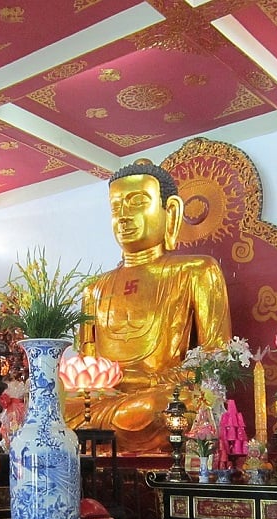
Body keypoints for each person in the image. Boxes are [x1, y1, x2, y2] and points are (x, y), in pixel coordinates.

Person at [65, 159, 232, 455]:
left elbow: (214, 363)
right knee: (55, 407)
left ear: (171, 213)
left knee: (157, 408)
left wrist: (151, 380)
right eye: (116, 208)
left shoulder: (197, 270)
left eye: (137, 203)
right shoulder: (95, 287)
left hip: (157, 397)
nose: (124, 217)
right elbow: (87, 370)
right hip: (106, 401)